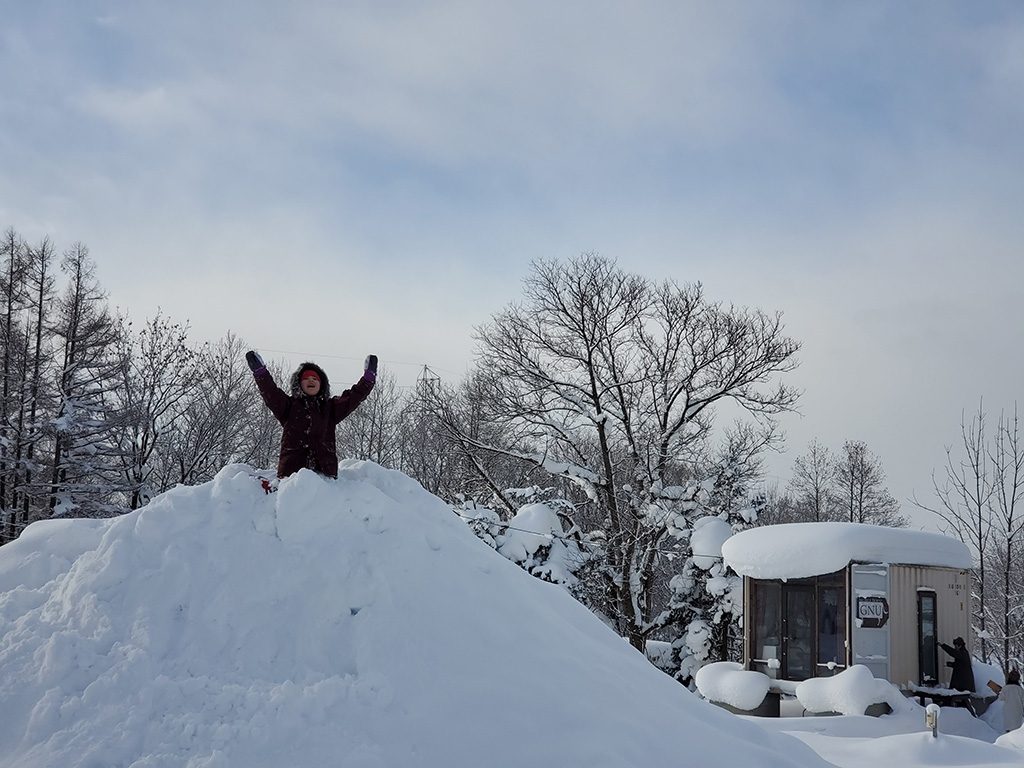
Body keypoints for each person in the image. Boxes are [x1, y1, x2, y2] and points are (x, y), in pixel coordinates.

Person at [246, 350, 376, 479]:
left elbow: (353, 397)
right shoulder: (288, 406)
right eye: (306, 378)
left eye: (315, 378)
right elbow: (271, 393)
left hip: (324, 476)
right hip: (292, 475)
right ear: (299, 384)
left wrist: (368, 379)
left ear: (321, 385)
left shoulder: (330, 408)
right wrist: (260, 373)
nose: (311, 380)